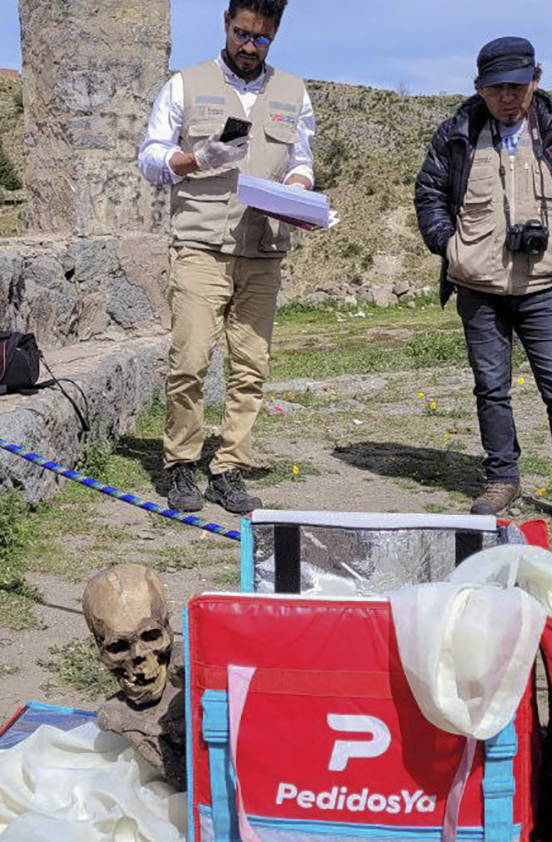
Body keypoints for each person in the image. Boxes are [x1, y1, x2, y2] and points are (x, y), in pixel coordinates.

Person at [415, 37, 552, 525]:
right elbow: (429, 193)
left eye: (518, 85)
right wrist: (450, 246)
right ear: (479, 88)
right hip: (478, 286)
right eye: (497, 87)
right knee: (491, 388)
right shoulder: (457, 132)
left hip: (546, 283)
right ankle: (502, 478)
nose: (509, 96)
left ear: (536, 80)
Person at [139, 0, 315, 514]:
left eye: (260, 38)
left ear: (275, 34)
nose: (248, 46)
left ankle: (230, 468)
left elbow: (301, 159)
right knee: (191, 360)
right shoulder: (185, 84)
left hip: (263, 249)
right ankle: (181, 465)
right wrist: (193, 159)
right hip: (199, 245)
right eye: (242, 34)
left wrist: (300, 191)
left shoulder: (294, 92)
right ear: (226, 24)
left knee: (250, 368)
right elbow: (150, 157)